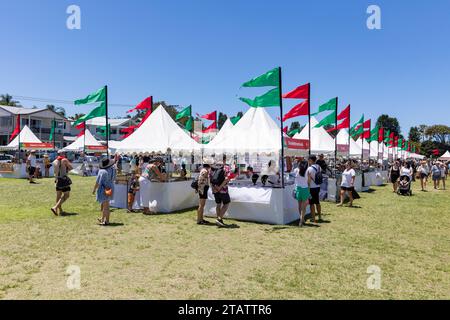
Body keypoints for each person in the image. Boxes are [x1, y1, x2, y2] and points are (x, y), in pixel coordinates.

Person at [93, 158, 116, 226]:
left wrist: (94, 190)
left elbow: (97, 182)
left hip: (104, 189)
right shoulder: (113, 169)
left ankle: (107, 221)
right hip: (111, 188)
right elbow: (114, 178)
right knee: (106, 205)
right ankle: (103, 219)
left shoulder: (102, 171)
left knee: (106, 206)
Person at [51, 151, 73, 216]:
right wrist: (66, 168)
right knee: (66, 195)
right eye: (64, 153)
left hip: (57, 180)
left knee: (58, 196)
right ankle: (55, 207)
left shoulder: (54, 161)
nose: (65, 154)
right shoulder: (64, 160)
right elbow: (71, 168)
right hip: (63, 180)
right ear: (61, 154)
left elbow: (55, 172)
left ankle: (60, 211)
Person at [211, 158, 231, 227]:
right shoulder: (226, 167)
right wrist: (220, 187)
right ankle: (219, 219)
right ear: (225, 160)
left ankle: (219, 219)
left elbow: (210, 178)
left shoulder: (214, 167)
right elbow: (227, 178)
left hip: (215, 190)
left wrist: (214, 188)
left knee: (218, 204)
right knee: (226, 203)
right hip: (223, 189)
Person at [293, 160, 310, 227]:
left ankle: (302, 220)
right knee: (304, 207)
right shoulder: (307, 171)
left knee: (299, 206)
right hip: (305, 189)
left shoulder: (296, 170)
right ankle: (301, 221)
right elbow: (308, 182)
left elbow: (293, 178)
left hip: (298, 189)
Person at [307, 155, 322, 223]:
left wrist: (308, 188)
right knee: (317, 202)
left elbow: (309, 180)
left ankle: (313, 218)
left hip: (312, 188)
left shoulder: (309, 169)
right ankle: (319, 216)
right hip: (318, 186)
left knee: (312, 203)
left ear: (310, 160)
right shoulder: (319, 167)